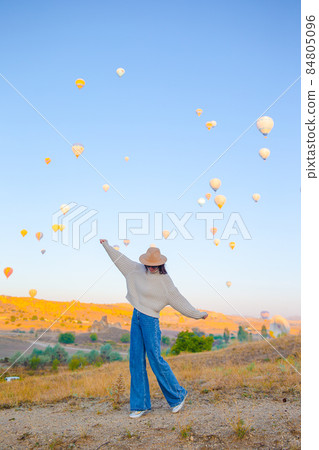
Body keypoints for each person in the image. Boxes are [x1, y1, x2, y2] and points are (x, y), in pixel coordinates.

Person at [100, 239, 208, 418]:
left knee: (155, 358)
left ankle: (178, 396)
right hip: (137, 316)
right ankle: (140, 405)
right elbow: (119, 259)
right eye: (148, 264)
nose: (151, 267)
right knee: (135, 359)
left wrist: (197, 314)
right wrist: (106, 245)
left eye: (155, 265)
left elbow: (180, 301)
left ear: (161, 264)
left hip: (151, 321)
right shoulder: (135, 269)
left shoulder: (166, 282)